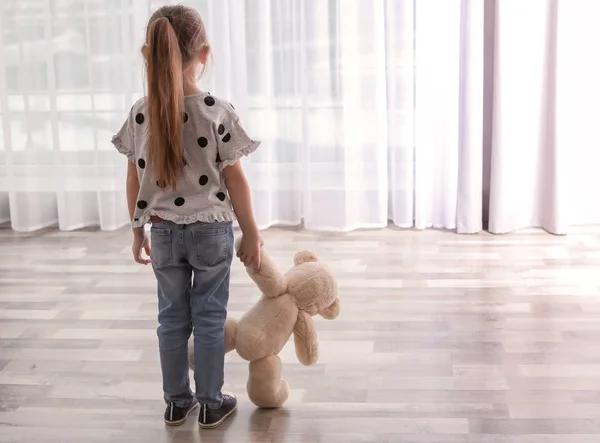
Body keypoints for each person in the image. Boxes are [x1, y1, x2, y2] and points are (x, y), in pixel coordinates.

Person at [111, 5, 262, 429]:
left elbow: (133, 180)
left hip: (161, 233)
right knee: (210, 317)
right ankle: (212, 403)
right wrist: (251, 233)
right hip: (211, 232)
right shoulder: (215, 110)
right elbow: (236, 182)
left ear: (148, 54)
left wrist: (137, 230)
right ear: (204, 53)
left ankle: (178, 402)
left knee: (171, 318)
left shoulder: (140, 113)